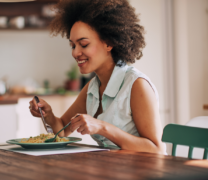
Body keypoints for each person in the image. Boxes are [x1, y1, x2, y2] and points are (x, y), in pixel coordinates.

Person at [29, 0, 164, 154]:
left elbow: (156, 150)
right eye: (73, 45)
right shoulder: (93, 87)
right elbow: (63, 131)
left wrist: (101, 127)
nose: (74, 53)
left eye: (83, 44)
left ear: (109, 43)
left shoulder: (137, 85)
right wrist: (49, 115)